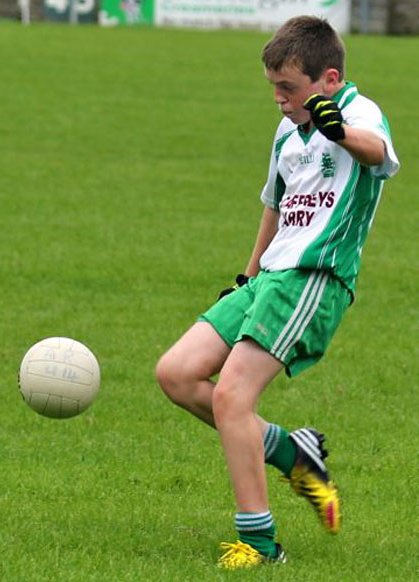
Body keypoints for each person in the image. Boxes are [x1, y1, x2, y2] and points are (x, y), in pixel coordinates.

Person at [156, 15, 400, 570]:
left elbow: (377, 155)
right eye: (273, 87)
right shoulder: (286, 129)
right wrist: (247, 277)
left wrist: (337, 129)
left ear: (328, 78)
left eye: (287, 87)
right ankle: (292, 452)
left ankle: (262, 544)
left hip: (315, 277)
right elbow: (275, 202)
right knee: (177, 372)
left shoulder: (359, 113)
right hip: (272, 275)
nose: (278, 99)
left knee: (231, 397)